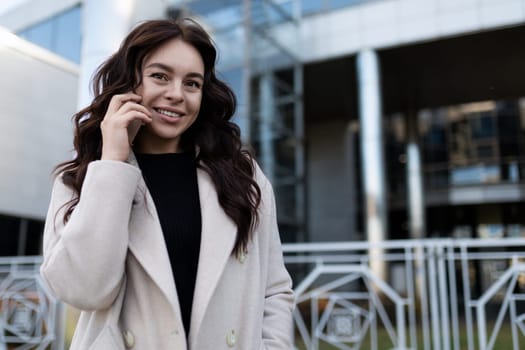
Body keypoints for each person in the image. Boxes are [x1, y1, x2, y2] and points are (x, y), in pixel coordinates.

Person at [40, 18, 294, 349]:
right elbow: (85, 291)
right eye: (160, 76)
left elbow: (274, 289)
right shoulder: (80, 179)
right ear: (129, 82)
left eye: (192, 83)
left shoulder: (242, 176)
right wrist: (113, 163)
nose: (176, 94)